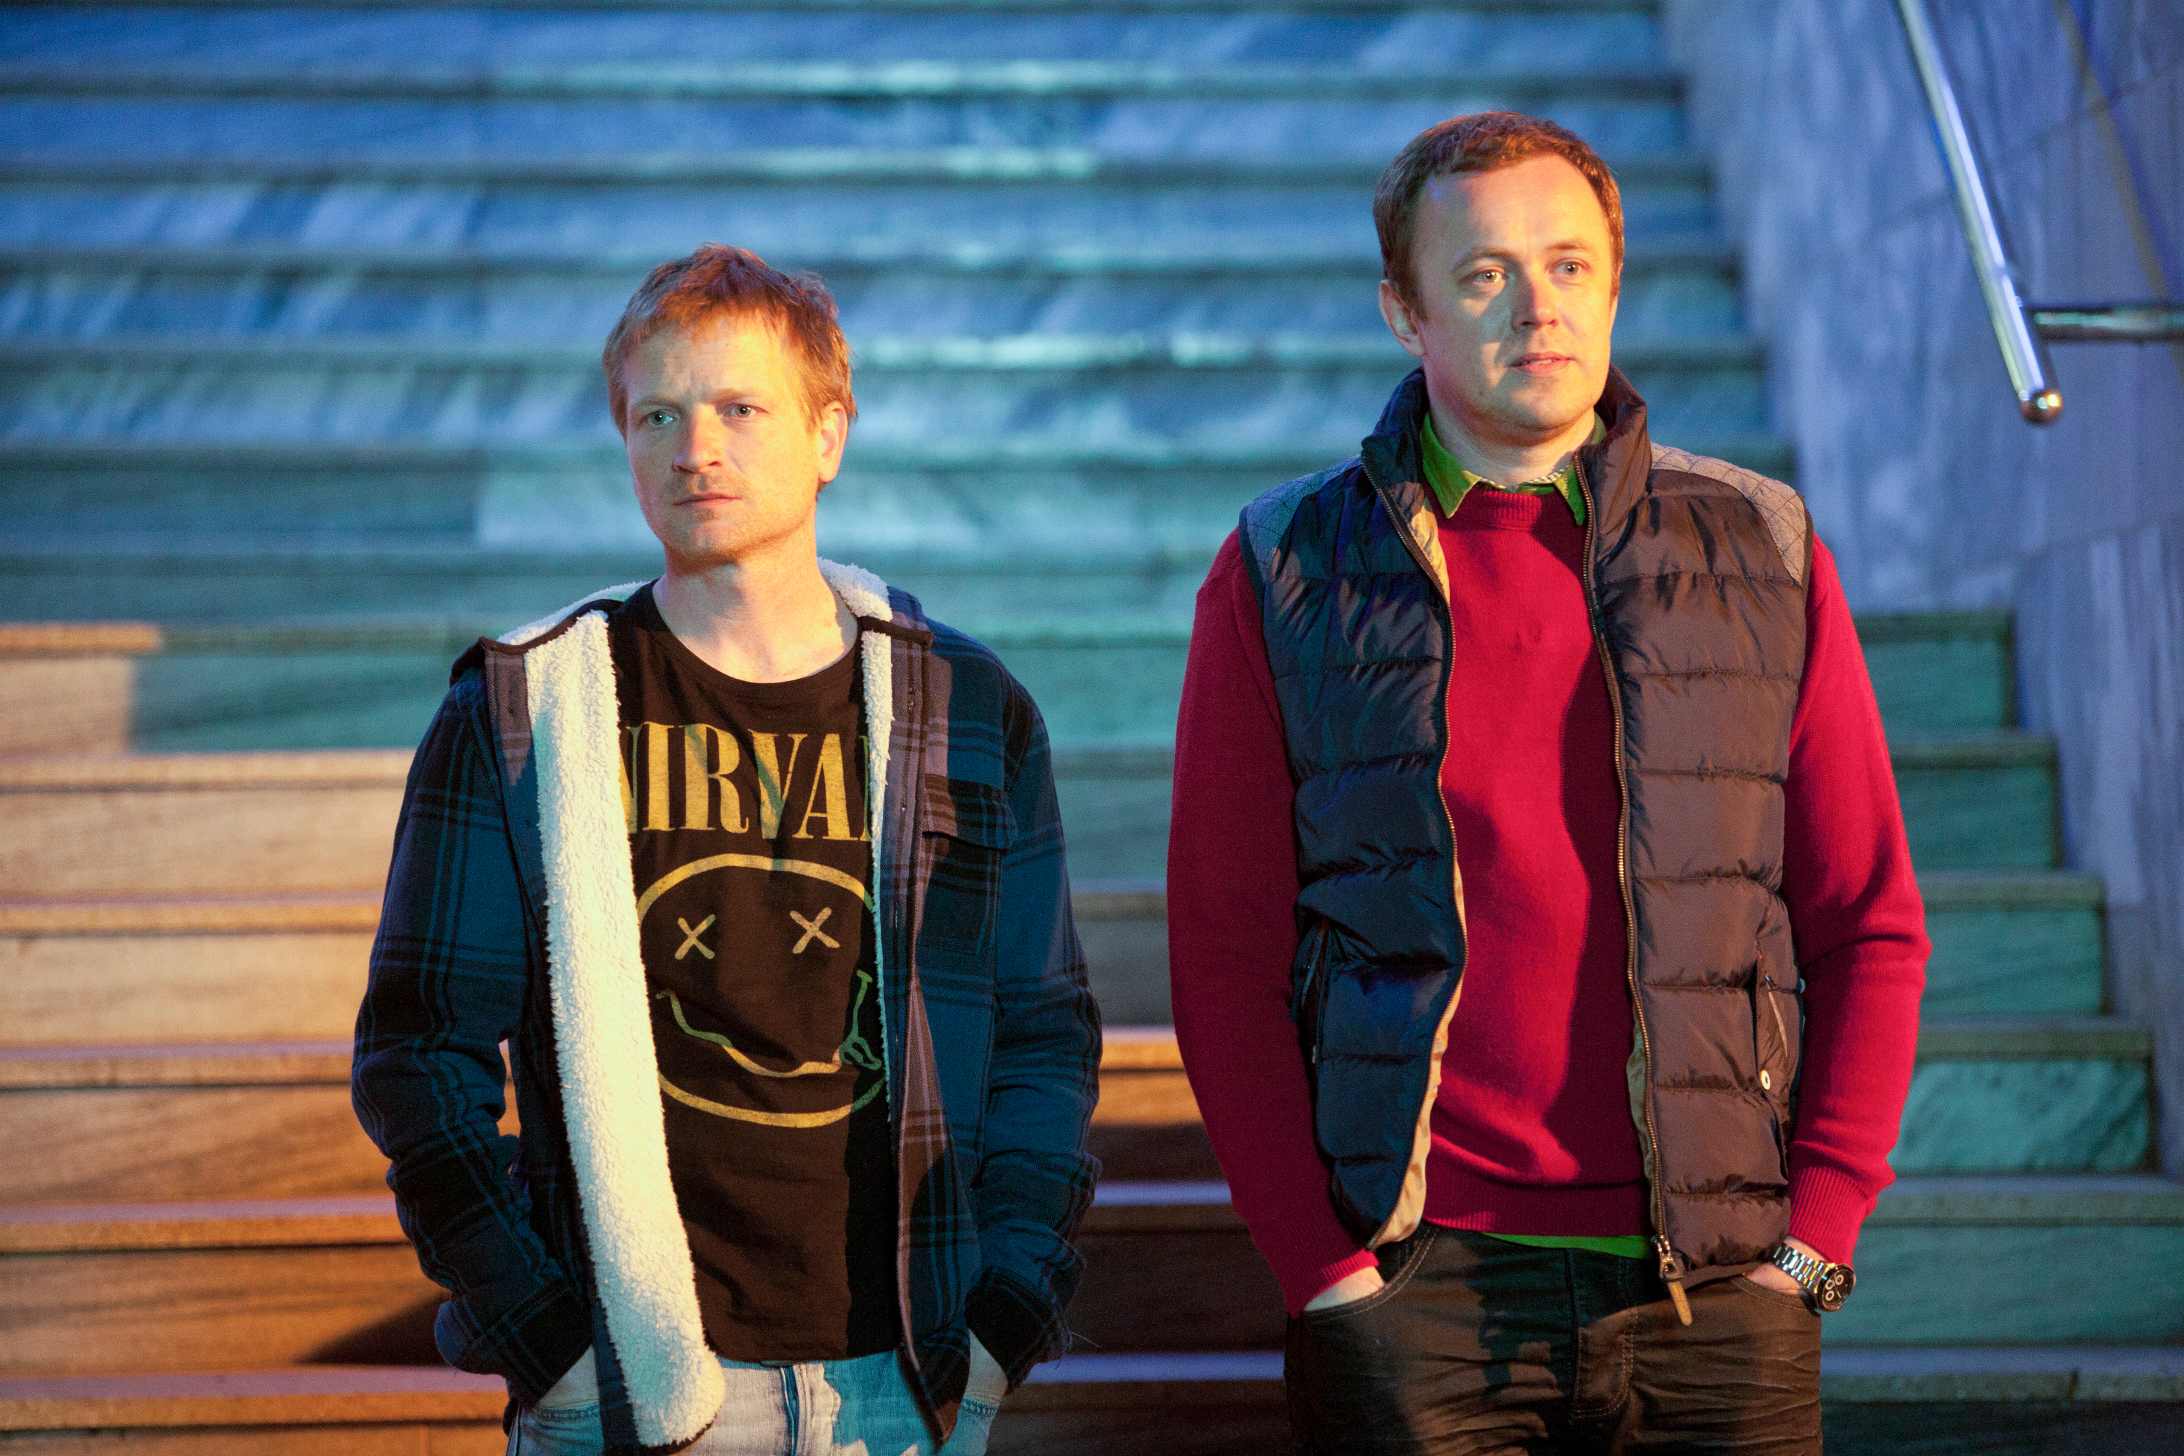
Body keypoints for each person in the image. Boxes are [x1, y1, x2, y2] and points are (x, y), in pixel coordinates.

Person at [1167, 112, 1929, 1454]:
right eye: (1485, 275)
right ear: (1404, 312)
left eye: (1571, 265)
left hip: (1717, 1299)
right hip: (1417, 1291)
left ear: (1617, 284)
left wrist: (1812, 1247)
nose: (1539, 307)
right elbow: (1224, 953)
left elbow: (1867, 918)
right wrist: (1322, 1272)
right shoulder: (1285, 568)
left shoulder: (1760, 549)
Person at [353, 244, 1101, 1456]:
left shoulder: (969, 709)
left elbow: (1043, 1035)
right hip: (631, 1380)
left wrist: (1001, 1319)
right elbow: (417, 1048)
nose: (695, 448)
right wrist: (547, 1342)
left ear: (828, 434)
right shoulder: (524, 708)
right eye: (659, 415)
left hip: (904, 1379)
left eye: (740, 409)